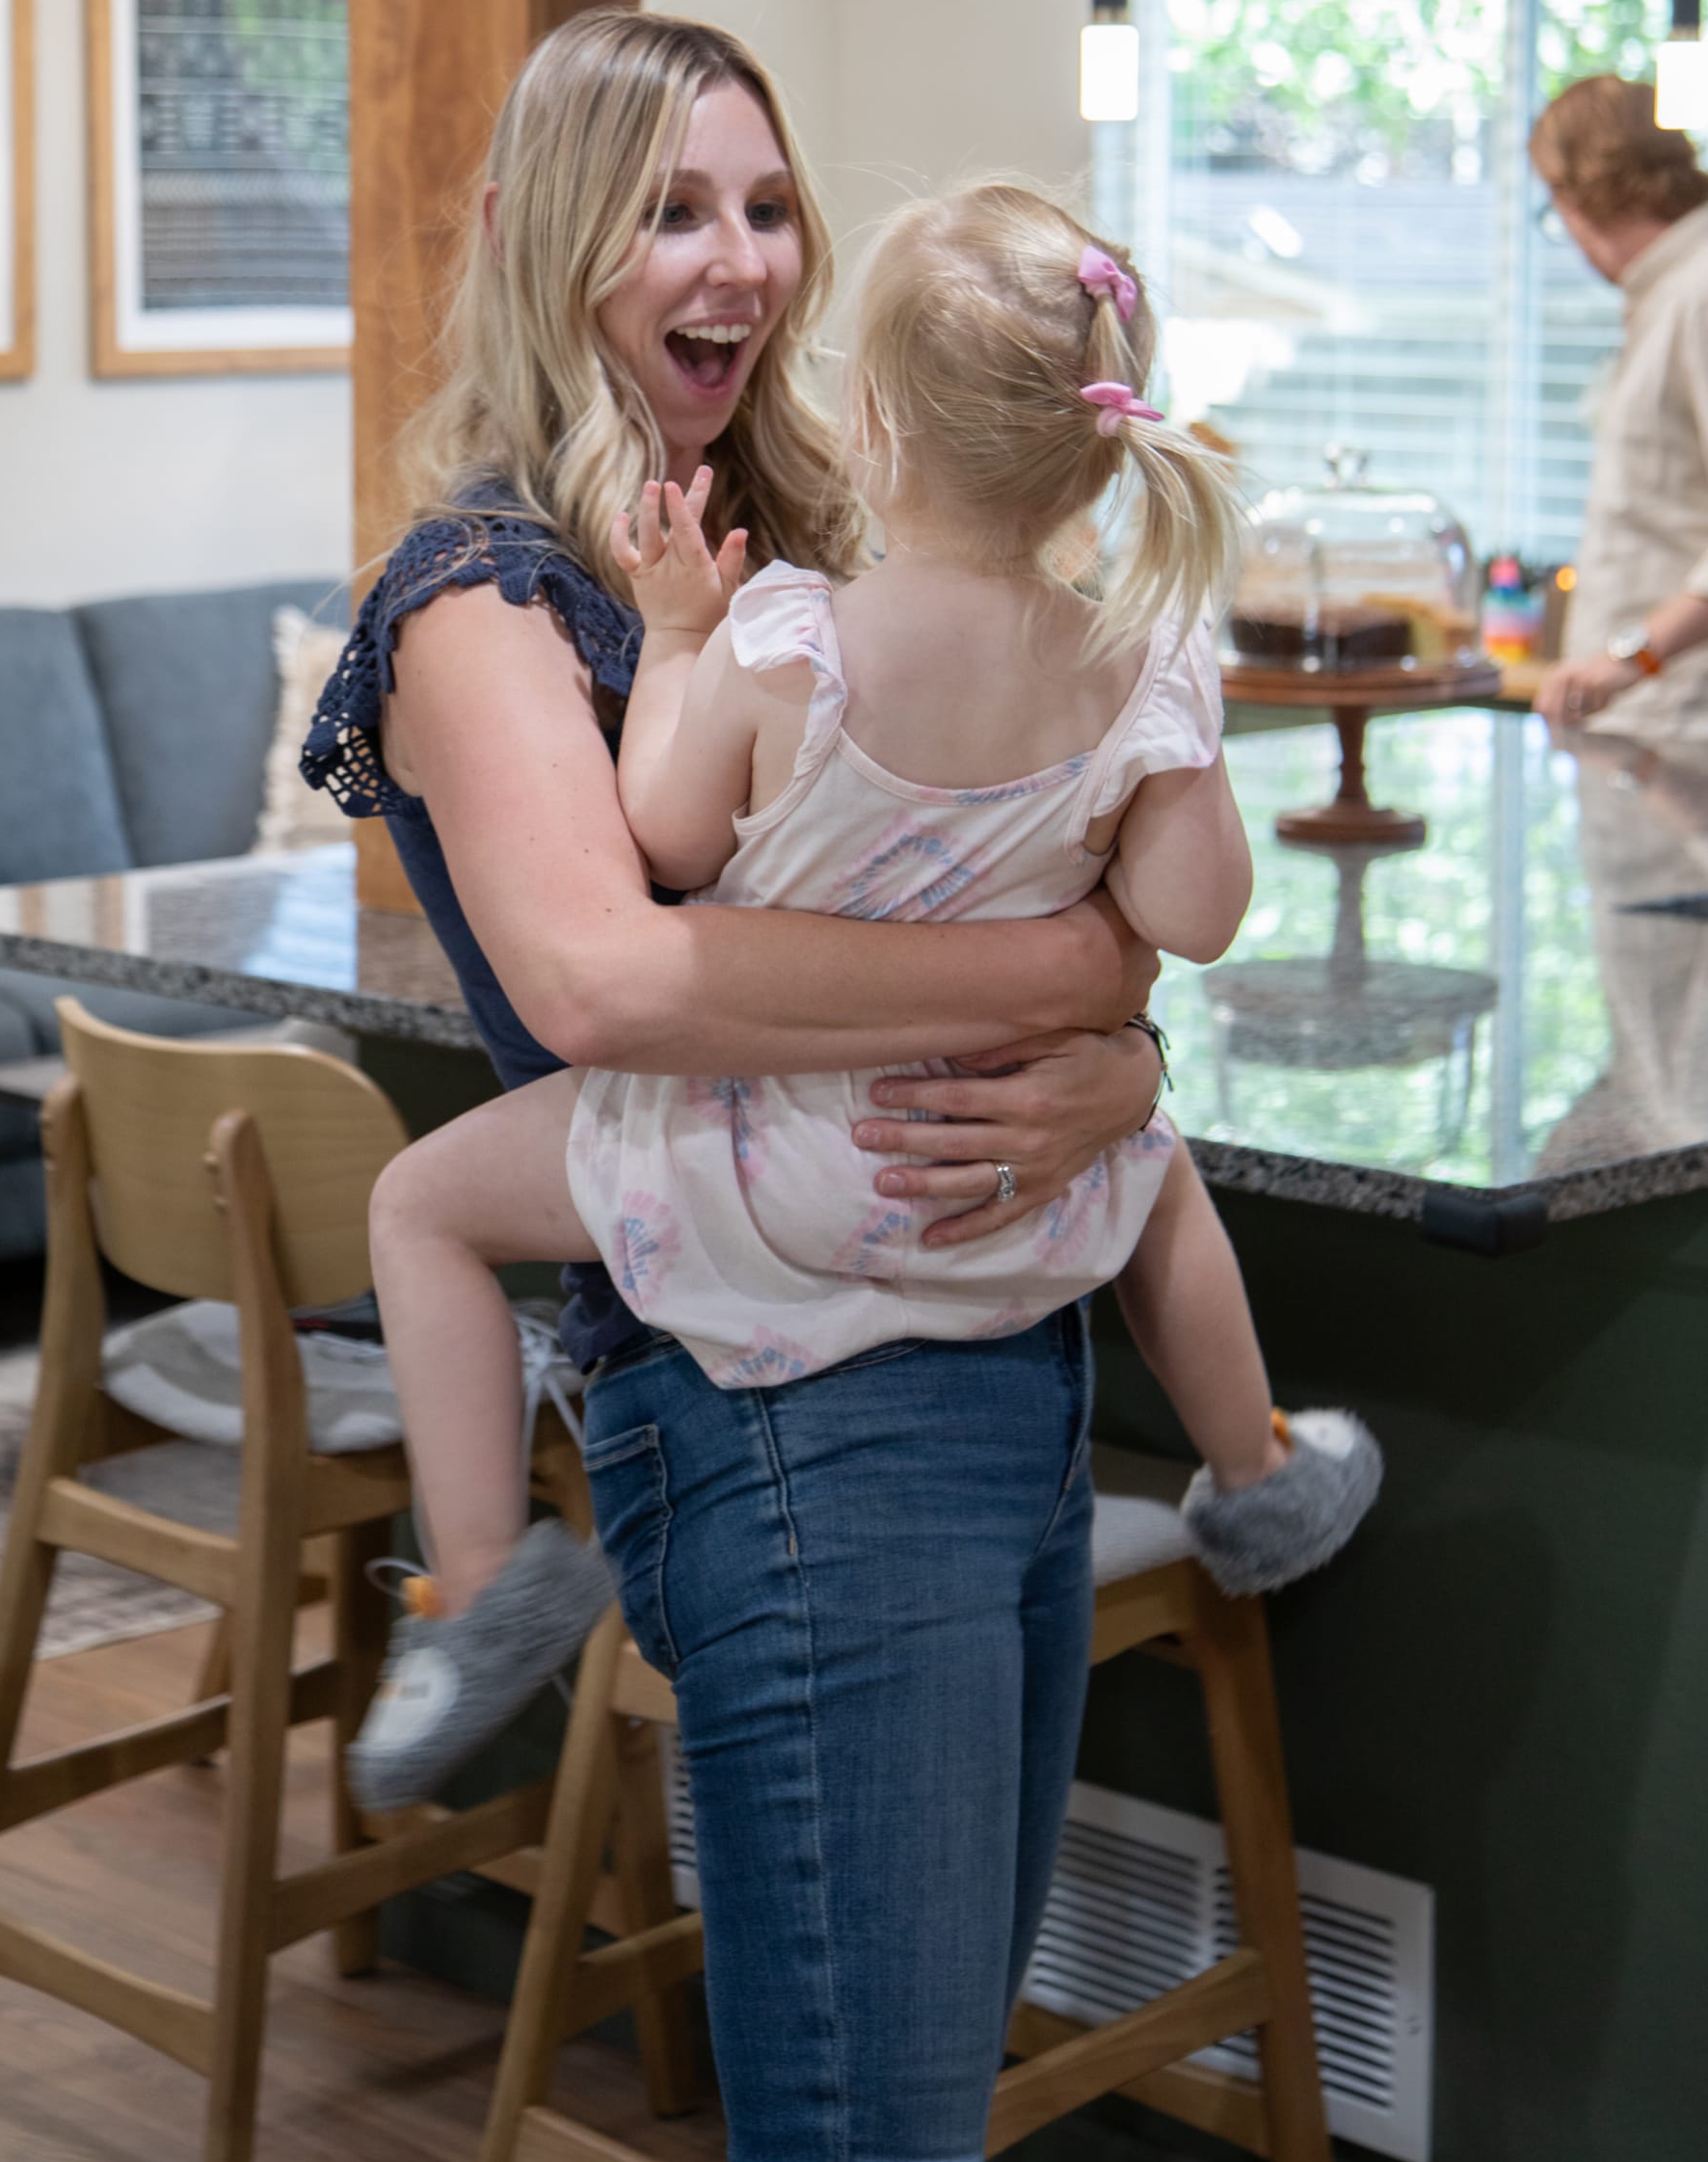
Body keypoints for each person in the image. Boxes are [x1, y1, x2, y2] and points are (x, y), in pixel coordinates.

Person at [347, 182, 1378, 1820]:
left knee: (418, 1202)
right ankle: (1249, 1468)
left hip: (767, 1167)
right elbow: (1196, 913)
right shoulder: (1143, 653)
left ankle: (480, 1584)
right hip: (1017, 1176)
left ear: (875, 424)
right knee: (1157, 1157)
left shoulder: (789, 640)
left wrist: (674, 640)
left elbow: (670, 834)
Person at [1532, 74, 1708, 739]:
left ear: (1575, 197)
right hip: (1648, 723)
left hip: (1685, 725)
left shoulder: (1699, 291)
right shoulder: (1668, 290)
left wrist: (1630, 657)